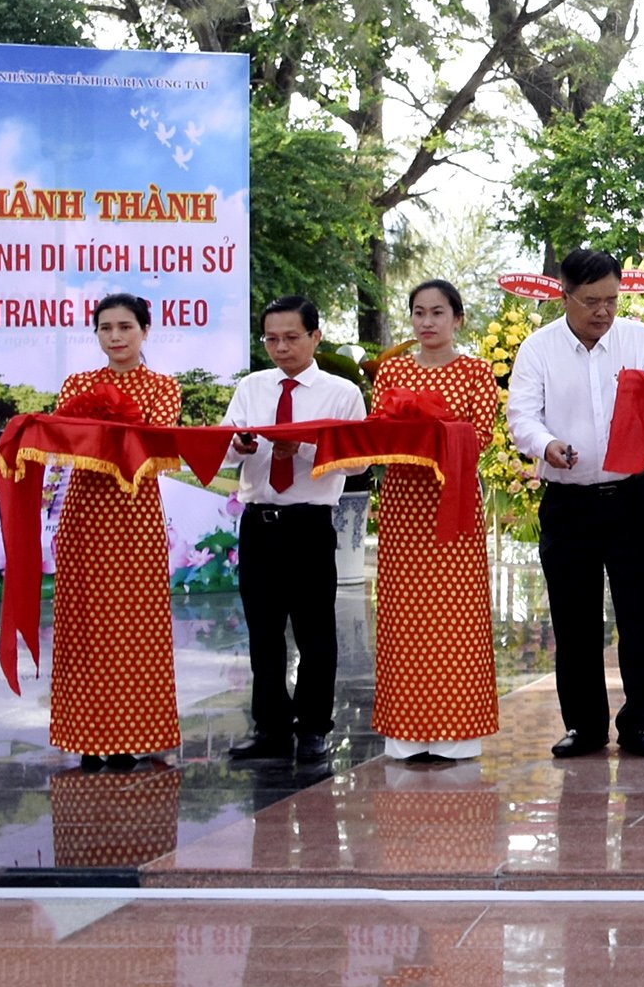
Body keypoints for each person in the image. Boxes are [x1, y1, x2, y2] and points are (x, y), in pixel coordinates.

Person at [505, 247, 644, 760]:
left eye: (611, 299)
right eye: (590, 302)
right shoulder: (538, 349)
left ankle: (640, 723)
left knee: (640, 613)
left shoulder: (639, 339)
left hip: (633, 497)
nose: (603, 311)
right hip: (569, 501)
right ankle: (584, 725)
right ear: (564, 296)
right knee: (574, 617)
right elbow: (522, 416)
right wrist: (546, 446)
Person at [219, 295, 364, 767]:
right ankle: (270, 727)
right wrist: (240, 446)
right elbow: (224, 453)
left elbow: (357, 462)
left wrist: (299, 446)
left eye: (291, 338)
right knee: (263, 633)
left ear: (315, 337)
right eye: (271, 339)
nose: (281, 348)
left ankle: (315, 728)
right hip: (259, 522)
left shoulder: (341, 393)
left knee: (315, 633)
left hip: (308, 523)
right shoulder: (252, 387)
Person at [48, 294, 186, 769]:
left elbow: (153, 438)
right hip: (84, 516)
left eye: (125, 327)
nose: (115, 337)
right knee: (85, 626)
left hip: (134, 516)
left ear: (145, 330)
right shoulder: (77, 384)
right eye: (105, 328)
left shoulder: (163, 388)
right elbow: (63, 438)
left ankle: (133, 734)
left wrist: (109, 430)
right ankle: (87, 736)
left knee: (135, 627)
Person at [367, 279, 502, 764]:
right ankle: (406, 731)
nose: (427, 322)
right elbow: (378, 431)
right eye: (419, 313)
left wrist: (433, 427)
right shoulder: (393, 372)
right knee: (405, 615)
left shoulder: (475, 372)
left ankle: (457, 732)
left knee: (455, 616)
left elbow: (480, 434)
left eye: (438, 313)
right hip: (404, 504)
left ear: (457, 319)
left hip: (454, 500)